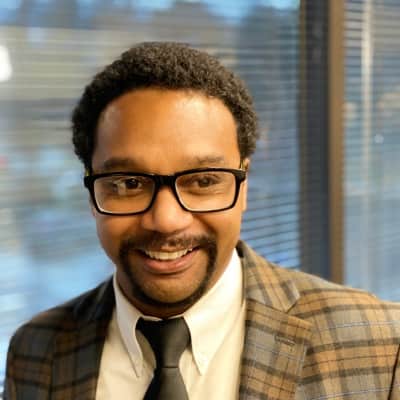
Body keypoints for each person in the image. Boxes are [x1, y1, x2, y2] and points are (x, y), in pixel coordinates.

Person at [4, 42, 400, 400]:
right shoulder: (37, 351)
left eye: (204, 181)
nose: (166, 220)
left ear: (243, 187)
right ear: (92, 193)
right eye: (128, 183)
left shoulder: (381, 344)